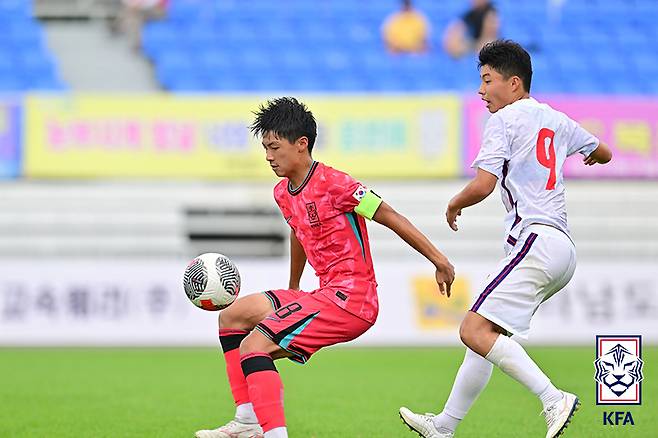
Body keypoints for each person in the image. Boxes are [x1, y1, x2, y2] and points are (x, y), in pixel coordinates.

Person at [195, 97, 455, 438]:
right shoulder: (283, 192)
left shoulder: (338, 184)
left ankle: (272, 432)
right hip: (323, 293)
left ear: (301, 144)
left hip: (353, 299)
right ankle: (247, 419)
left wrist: (439, 260)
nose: (268, 156)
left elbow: (391, 216)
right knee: (232, 317)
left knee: (254, 346)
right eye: (265, 148)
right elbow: (298, 230)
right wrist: (293, 287)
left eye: (274, 147)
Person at [399, 40, 612, 438]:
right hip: (561, 247)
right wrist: (591, 156)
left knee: (472, 330)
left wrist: (454, 203)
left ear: (514, 83)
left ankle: (554, 398)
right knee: (486, 337)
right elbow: (604, 151)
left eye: (487, 80)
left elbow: (483, 184)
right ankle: (443, 426)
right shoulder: (556, 119)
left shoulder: (504, 120)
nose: (481, 90)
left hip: (535, 239)